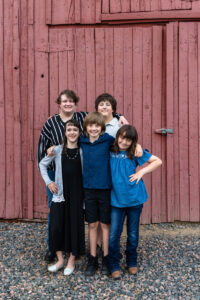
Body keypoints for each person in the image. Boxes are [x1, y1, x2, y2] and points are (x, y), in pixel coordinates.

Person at [37, 89, 127, 262]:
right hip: (56, 174)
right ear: (59, 103)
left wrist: (120, 116)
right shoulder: (51, 122)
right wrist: (48, 177)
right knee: (55, 212)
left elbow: (103, 113)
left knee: (76, 212)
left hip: (78, 175)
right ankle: (53, 247)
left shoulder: (82, 117)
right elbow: (42, 150)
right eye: (64, 101)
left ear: (75, 103)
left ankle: (78, 248)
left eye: (71, 101)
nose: (68, 104)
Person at [108, 125, 162, 279]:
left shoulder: (135, 152)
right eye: (122, 137)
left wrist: (141, 172)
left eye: (128, 139)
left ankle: (131, 261)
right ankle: (113, 263)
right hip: (116, 200)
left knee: (132, 233)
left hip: (134, 198)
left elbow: (158, 161)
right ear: (117, 136)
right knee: (114, 234)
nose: (124, 142)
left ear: (133, 142)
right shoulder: (110, 150)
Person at [39, 119, 85, 275]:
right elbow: (42, 165)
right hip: (60, 194)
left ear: (79, 133)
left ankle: (71, 261)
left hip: (78, 195)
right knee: (56, 227)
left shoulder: (83, 150)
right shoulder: (57, 150)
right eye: (69, 129)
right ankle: (60, 260)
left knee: (74, 227)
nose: (72, 132)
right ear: (65, 133)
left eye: (75, 130)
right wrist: (49, 182)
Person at [80, 112, 115, 276]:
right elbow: (66, 144)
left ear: (102, 127)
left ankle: (107, 257)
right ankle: (92, 258)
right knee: (92, 224)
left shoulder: (107, 140)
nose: (93, 128)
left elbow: (125, 143)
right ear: (86, 127)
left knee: (105, 224)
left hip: (105, 189)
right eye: (90, 125)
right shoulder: (82, 141)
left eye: (97, 126)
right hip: (88, 189)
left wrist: (137, 147)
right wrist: (53, 148)